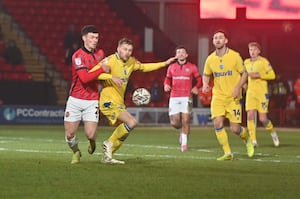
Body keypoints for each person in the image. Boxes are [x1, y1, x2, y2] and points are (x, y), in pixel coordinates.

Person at [91, 37, 177, 164]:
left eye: (130, 50)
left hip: (119, 102)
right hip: (108, 101)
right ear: (118, 48)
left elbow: (144, 67)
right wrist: (111, 77)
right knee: (132, 122)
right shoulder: (110, 60)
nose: (127, 52)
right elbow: (93, 73)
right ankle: (108, 143)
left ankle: (108, 156)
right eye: (125, 49)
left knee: (124, 130)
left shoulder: (130, 62)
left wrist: (164, 63)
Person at [202, 30, 254, 161]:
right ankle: (228, 153)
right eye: (215, 38)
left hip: (233, 97)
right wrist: (205, 84)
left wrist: (237, 87)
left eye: (220, 38)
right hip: (218, 96)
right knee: (217, 122)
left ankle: (247, 139)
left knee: (235, 129)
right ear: (213, 42)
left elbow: (245, 73)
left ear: (226, 41)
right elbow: (206, 74)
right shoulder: (210, 59)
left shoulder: (235, 56)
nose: (218, 40)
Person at [64, 25, 110, 164]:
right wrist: (102, 68)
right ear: (84, 38)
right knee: (70, 134)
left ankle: (92, 142)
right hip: (75, 100)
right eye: (92, 37)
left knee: (90, 134)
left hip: (92, 100)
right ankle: (76, 152)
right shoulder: (77, 56)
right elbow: (84, 78)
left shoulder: (100, 54)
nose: (95, 40)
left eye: (96, 37)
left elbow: (110, 67)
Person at [164, 46, 202, 152]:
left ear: (186, 55)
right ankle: (182, 132)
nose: (180, 54)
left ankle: (184, 144)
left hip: (187, 97)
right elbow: (167, 80)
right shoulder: (171, 67)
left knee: (186, 120)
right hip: (174, 97)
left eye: (182, 52)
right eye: (178, 52)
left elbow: (200, 80)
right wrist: (166, 85)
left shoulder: (192, 67)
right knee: (175, 123)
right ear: (176, 55)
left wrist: (196, 87)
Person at [244, 42, 280, 147]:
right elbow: (243, 75)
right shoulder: (246, 62)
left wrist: (260, 75)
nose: (252, 52)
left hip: (262, 93)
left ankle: (273, 132)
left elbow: (272, 75)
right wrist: (243, 84)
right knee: (250, 115)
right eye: (251, 50)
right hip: (250, 93)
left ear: (259, 51)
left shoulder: (264, 62)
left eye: (254, 49)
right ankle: (253, 140)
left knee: (263, 119)